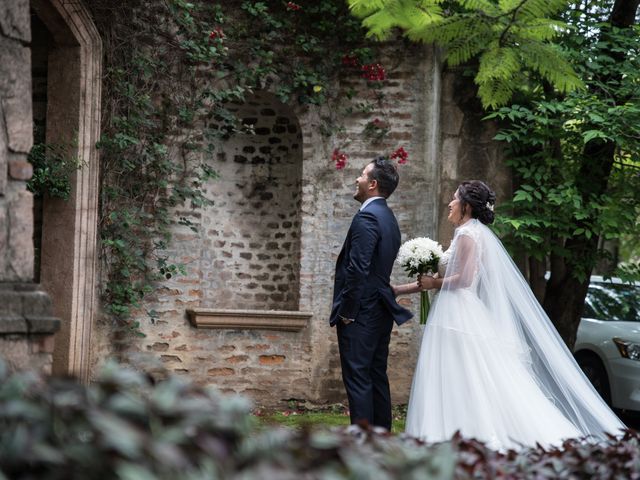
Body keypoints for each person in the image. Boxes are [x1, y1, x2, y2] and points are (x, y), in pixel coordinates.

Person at [394, 180, 625, 450]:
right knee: (460, 373)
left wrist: (434, 285)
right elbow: (441, 276)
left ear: (467, 206)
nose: (450, 203)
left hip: (457, 313)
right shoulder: (469, 232)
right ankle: (454, 432)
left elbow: (465, 279)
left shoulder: (468, 234)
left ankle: (457, 434)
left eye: (455, 199)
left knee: (460, 372)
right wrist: (401, 288)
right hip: (454, 309)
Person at [330, 156, 413, 430]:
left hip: (361, 312)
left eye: (362, 175)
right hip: (380, 310)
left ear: (373, 184)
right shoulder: (388, 217)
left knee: (358, 378)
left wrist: (348, 313)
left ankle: (363, 446)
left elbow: (357, 268)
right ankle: (381, 441)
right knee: (376, 375)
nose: (357, 179)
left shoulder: (367, 216)